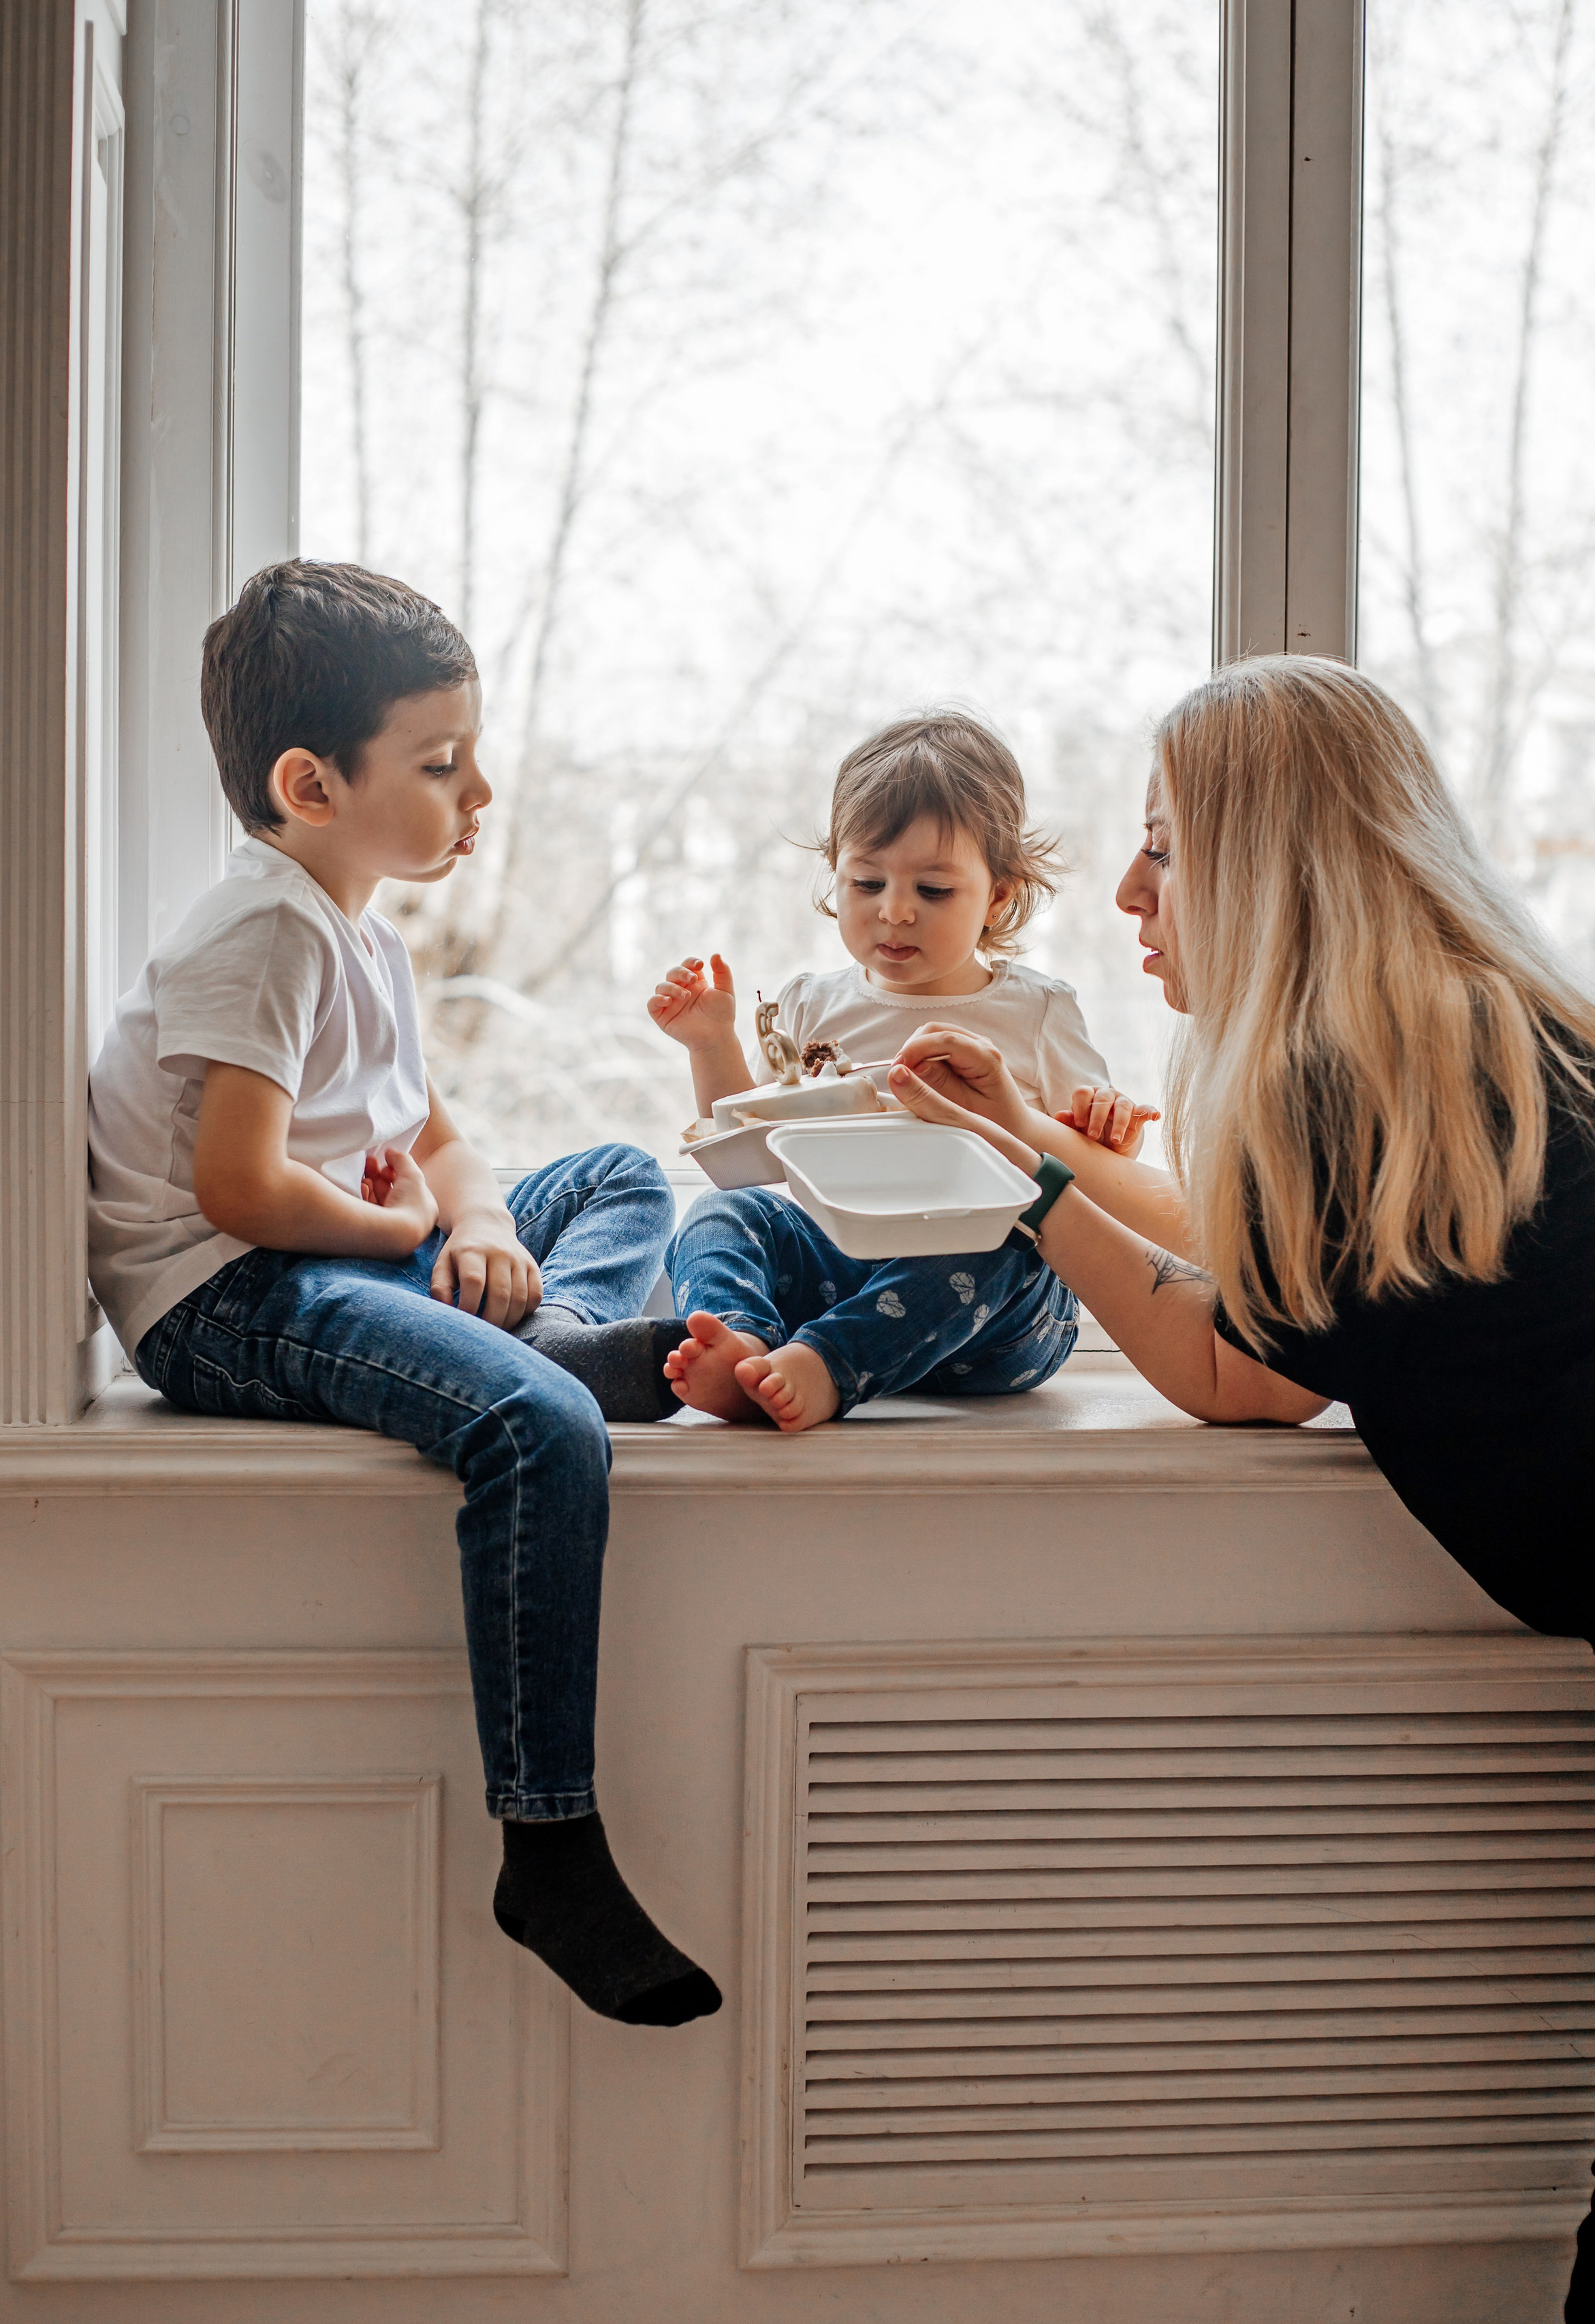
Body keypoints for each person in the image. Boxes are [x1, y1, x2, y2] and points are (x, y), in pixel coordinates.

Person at [885, 654, 1595, 2321]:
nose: (1126, 893)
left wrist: (1017, 1170)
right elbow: (1276, 1285)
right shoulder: (1491, 1046)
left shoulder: (1337, 1087)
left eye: (1163, 848)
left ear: (1269, 867)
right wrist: (1024, 1151)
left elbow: (1227, 1366)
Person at [86, 560, 716, 2029]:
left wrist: (478, 1215)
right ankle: (547, 1843)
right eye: (441, 764)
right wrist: (410, 1232)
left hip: (344, 1242)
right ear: (310, 781)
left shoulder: (357, 922)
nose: (478, 790)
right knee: (543, 1428)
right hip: (229, 1290)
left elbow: (430, 1133)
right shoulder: (263, 930)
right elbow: (240, 1186)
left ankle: (542, 1324)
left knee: (619, 1171)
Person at [647, 712, 1156, 1431]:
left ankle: (825, 1365)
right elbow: (747, 1148)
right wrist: (709, 1043)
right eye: (866, 881)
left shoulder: (1036, 1009)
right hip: (845, 1275)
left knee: (1014, 1230)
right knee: (719, 1213)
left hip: (994, 1317)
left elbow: (1093, 1171)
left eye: (933, 891)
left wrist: (1111, 1126)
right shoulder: (809, 1004)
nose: (894, 911)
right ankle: (748, 1348)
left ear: (999, 896)